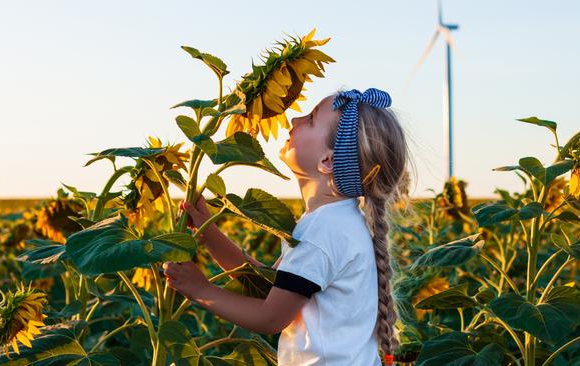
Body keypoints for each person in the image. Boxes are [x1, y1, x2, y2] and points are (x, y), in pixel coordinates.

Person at [163, 88, 412, 365]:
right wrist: (210, 235)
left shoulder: (324, 230)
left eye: (311, 119)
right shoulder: (337, 221)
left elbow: (271, 316)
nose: (295, 120)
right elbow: (270, 285)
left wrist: (202, 291)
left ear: (327, 161)